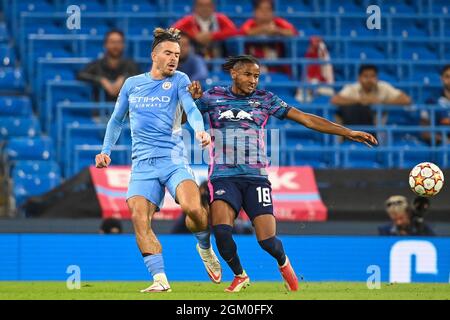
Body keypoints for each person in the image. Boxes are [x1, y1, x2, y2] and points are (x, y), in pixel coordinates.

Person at [190, 55, 378, 292]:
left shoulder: (265, 99)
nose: (253, 80)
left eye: (256, 76)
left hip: (256, 177)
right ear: (234, 74)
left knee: (268, 242)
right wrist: (192, 101)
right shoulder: (212, 96)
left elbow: (306, 119)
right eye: (248, 74)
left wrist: (348, 132)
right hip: (223, 176)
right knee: (222, 232)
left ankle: (283, 262)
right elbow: (185, 118)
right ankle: (240, 275)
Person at [94, 28, 222, 293]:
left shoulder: (180, 80)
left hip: (173, 160)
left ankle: (205, 247)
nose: (174, 58)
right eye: (168, 53)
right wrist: (106, 150)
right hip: (142, 164)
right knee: (139, 218)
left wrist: (200, 130)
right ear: (154, 55)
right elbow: (117, 120)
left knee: (194, 209)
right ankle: (160, 280)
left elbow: (191, 110)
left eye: (177, 54)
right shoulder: (132, 84)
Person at [331, 64, 412, 126]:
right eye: (366, 76)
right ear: (359, 78)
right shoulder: (352, 88)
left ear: (377, 78)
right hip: (354, 125)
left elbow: (406, 100)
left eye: (372, 76)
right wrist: (359, 101)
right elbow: (335, 100)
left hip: (378, 126)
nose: (369, 80)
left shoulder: (384, 87)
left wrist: (381, 102)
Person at [77, 29, 140, 102]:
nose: (115, 46)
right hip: (100, 110)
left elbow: (141, 77)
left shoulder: (130, 64)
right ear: (105, 45)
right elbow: (80, 75)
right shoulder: (97, 64)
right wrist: (101, 80)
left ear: (123, 45)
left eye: (119, 42)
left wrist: (124, 79)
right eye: (112, 42)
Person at [240, 0, 297, 75]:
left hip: (276, 68)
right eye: (261, 10)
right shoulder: (251, 23)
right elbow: (243, 32)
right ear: (255, 12)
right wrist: (262, 29)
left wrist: (277, 31)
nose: (265, 13)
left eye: (268, 9)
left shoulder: (278, 22)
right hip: (254, 67)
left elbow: (293, 32)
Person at [172, 0, 239, 59]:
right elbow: (172, 30)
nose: (205, 8)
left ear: (213, 7)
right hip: (195, 56)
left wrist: (212, 36)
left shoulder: (220, 18)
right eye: (201, 5)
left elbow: (234, 30)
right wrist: (194, 36)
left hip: (219, 54)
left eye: (208, 5)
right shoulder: (189, 20)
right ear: (195, 7)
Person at [421, 64, 450, 145]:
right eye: (447, 77)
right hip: (441, 145)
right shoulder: (431, 101)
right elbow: (424, 131)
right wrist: (443, 140)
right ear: (442, 79)